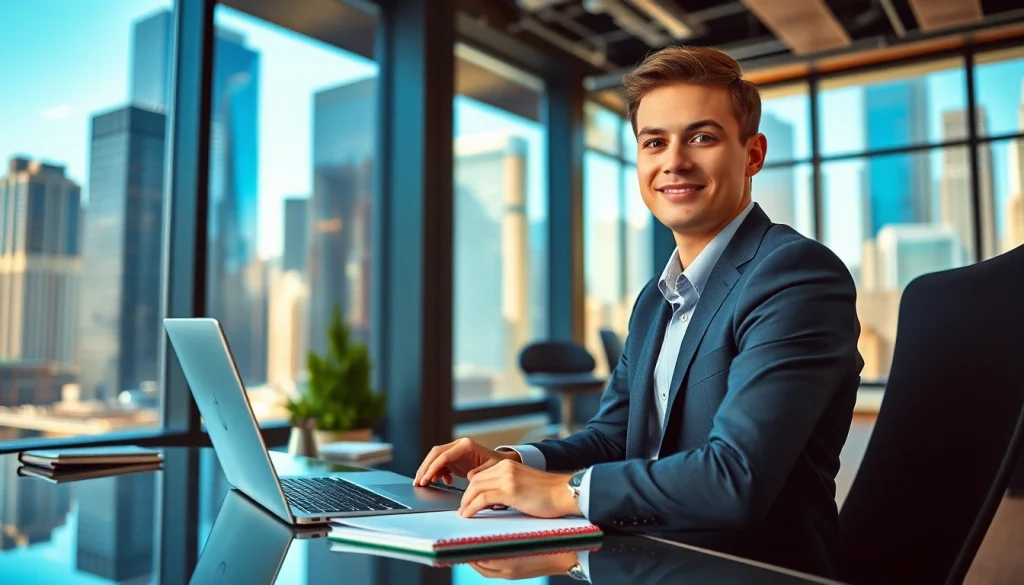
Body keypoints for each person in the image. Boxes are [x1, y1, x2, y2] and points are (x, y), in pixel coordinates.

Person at [414, 44, 863, 579]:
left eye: (702, 137)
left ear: (752, 154)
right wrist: (515, 462)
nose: (674, 160)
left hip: (743, 569)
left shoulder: (794, 275)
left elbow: (734, 478)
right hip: (638, 558)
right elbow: (613, 438)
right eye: (655, 142)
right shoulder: (657, 297)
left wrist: (562, 491)